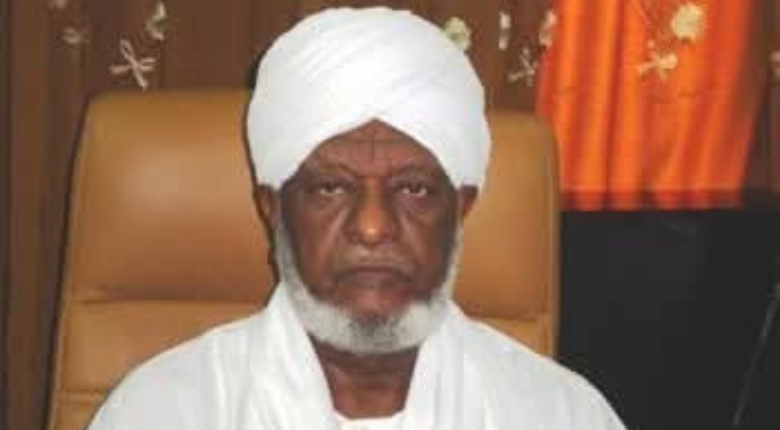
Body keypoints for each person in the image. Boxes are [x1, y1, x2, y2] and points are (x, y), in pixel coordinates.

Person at [86, 7, 627, 430]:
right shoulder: (164, 411)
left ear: (462, 209)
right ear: (273, 209)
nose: (372, 227)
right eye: (330, 188)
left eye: (413, 189)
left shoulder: (560, 415)